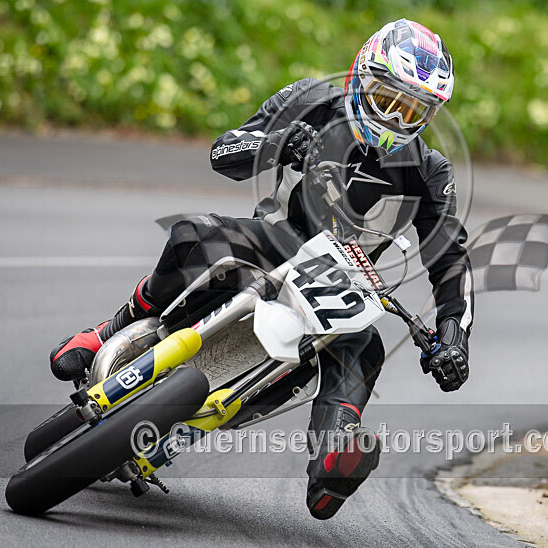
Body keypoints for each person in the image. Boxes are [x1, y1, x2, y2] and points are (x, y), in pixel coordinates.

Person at [49, 18, 473, 520]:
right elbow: (223, 151)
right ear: (362, 75)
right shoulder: (311, 99)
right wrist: (278, 143)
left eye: (413, 110)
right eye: (389, 99)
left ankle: (334, 463)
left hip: (341, 286)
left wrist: (454, 337)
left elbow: (451, 260)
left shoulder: (432, 172)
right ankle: (110, 330)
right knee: (192, 236)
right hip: (271, 242)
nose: (397, 118)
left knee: (367, 346)